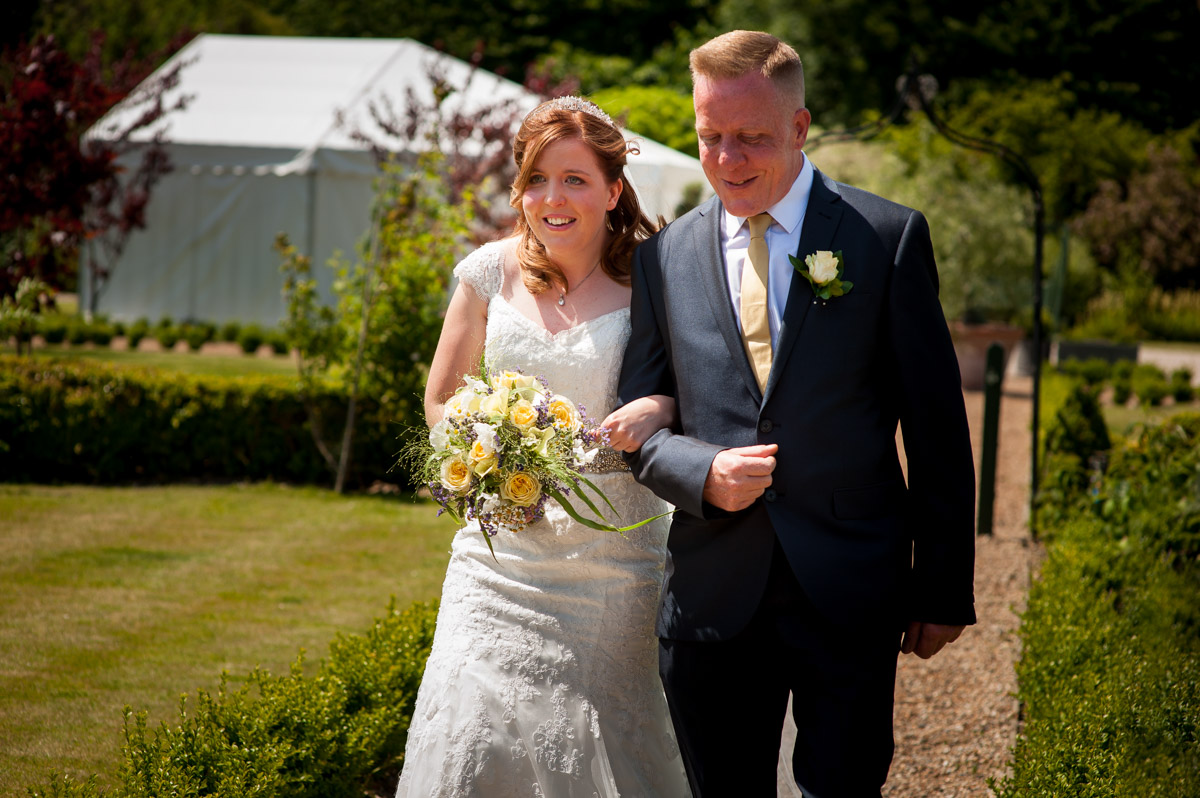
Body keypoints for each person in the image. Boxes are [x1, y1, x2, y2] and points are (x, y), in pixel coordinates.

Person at [618, 30, 978, 798]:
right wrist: (702, 471)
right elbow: (638, 422)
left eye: (749, 138)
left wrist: (943, 586)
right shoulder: (664, 257)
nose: (726, 159)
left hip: (849, 587)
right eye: (709, 136)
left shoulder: (884, 239)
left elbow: (937, 427)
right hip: (713, 593)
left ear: (800, 127)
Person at [395, 96, 691, 797]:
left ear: (614, 190)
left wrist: (658, 407)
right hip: (498, 561)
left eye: (576, 179)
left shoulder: (656, 279)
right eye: (536, 179)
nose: (551, 198)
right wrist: (484, 473)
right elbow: (442, 400)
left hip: (613, 565)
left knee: (596, 738)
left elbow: (702, 391)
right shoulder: (486, 274)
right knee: (473, 726)